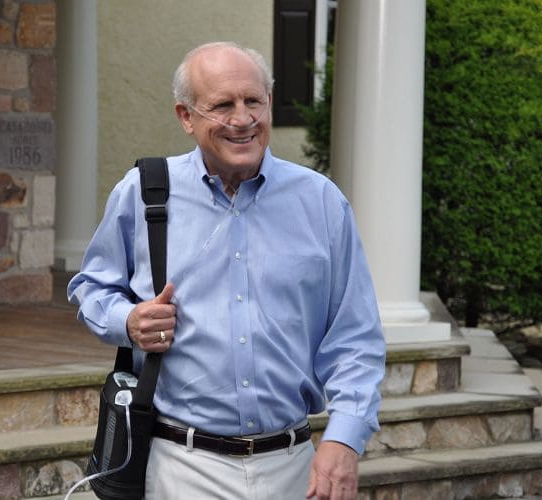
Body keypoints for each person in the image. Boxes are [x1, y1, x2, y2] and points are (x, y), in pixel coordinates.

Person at [68, 41, 386, 500]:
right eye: (222, 105)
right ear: (185, 116)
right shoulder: (144, 192)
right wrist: (128, 321)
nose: (242, 119)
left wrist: (344, 438)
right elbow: (92, 286)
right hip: (181, 467)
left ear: (269, 103)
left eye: (253, 101)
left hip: (295, 468)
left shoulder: (321, 202)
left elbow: (354, 337)